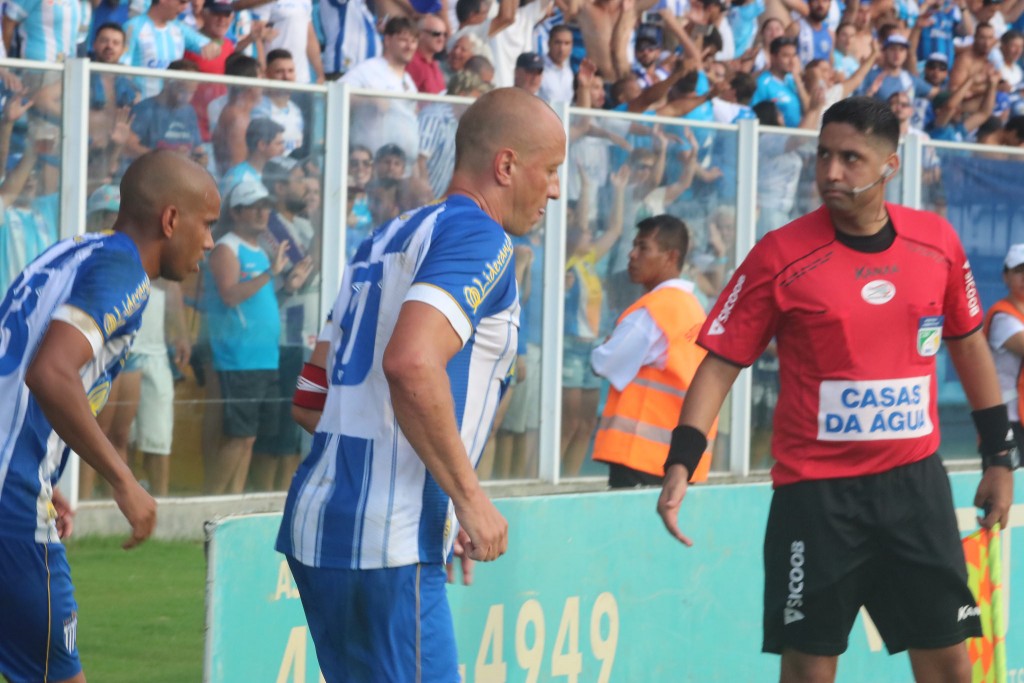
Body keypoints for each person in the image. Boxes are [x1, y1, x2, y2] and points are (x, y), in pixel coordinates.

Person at [656, 97, 1016, 683]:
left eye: (851, 158)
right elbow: (720, 363)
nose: (831, 172)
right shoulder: (780, 254)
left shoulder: (937, 244)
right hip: (816, 499)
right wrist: (683, 459)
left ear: (889, 166)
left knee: (951, 665)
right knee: (809, 670)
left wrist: (999, 458)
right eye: (824, 155)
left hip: (915, 490)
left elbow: (970, 345)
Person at [276, 87, 565, 681]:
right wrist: (468, 498)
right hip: (388, 539)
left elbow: (311, 401)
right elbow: (411, 363)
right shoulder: (484, 239)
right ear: (506, 166)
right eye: (552, 171)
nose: (556, 191)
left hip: (319, 527)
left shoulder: (384, 238)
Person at [0, 150, 217, 683]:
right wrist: (123, 480)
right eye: (207, 225)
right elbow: (50, 373)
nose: (210, 243)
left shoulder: (68, 252)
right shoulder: (125, 274)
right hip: (9, 504)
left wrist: (44, 475)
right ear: (171, 220)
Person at [591, 215, 715, 488]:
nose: (632, 255)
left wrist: (605, 344)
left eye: (643, 247)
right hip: (681, 462)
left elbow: (603, 362)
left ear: (670, 257)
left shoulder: (653, 311)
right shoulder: (693, 309)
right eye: (633, 245)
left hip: (640, 460)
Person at [204, 180, 288, 494]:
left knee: (249, 438)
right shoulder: (227, 247)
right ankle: (210, 503)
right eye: (255, 206)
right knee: (239, 437)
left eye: (265, 206)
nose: (263, 212)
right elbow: (229, 295)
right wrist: (271, 274)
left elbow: (260, 303)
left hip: (264, 356)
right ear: (237, 212)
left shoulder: (260, 251)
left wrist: (285, 283)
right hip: (240, 357)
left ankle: (233, 503)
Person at [984, 243, 1024, 448]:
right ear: (1005, 277)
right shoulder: (1002, 317)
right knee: (1002, 479)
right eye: (1019, 271)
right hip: (1007, 419)